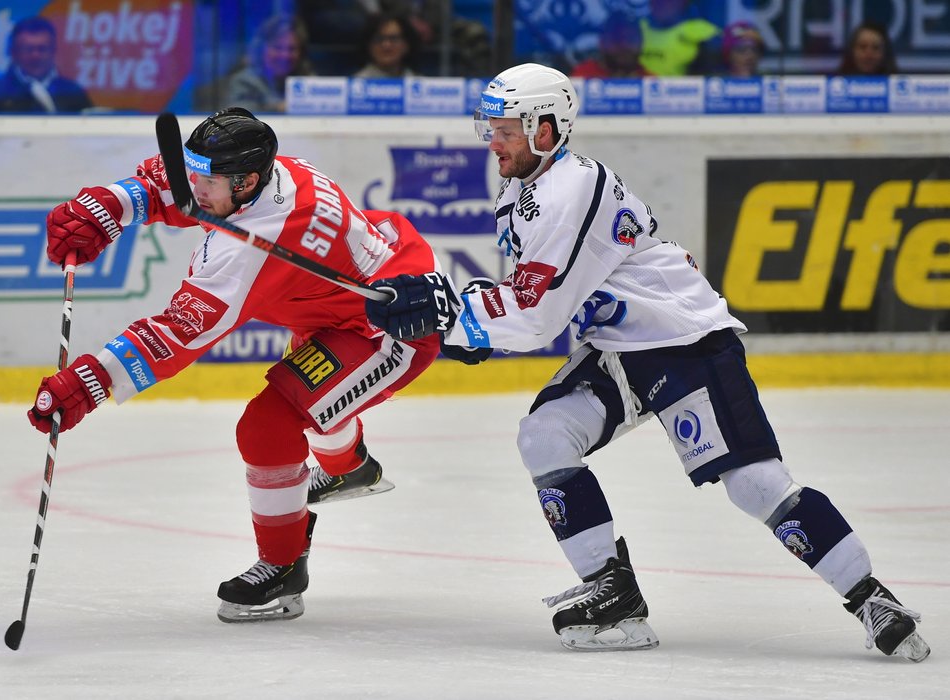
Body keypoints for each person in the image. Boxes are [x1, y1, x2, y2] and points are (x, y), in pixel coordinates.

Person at [361, 63, 931, 662]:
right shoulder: (523, 192)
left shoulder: (568, 189)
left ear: (546, 130)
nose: (491, 141)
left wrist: (448, 313)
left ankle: (872, 598)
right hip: (619, 348)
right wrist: (453, 325)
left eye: (504, 128)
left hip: (682, 340)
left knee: (756, 484)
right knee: (545, 435)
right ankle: (613, 593)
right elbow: (535, 303)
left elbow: (534, 316)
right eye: (490, 127)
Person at [27, 107, 441, 622]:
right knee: (317, 404)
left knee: (268, 425)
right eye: (194, 172)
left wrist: (87, 383)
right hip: (349, 300)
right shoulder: (270, 174)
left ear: (246, 183)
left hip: (389, 327)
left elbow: (177, 334)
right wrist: (107, 206)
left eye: (208, 180)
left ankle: (284, 567)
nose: (195, 188)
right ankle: (351, 470)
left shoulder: (252, 249)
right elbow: (176, 187)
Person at [0, 16, 92, 114]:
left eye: (42, 49)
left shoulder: (73, 93)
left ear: (53, 51)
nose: (35, 56)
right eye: (28, 49)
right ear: (13, 52)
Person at [226, 14, 314, 113]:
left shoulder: (307, 79)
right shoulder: (244, 81)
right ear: (262, 49)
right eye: (278, 48)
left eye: (291, 49)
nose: (285, 55)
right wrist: (277, 108)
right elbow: (238, 115)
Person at [639, 0, 720, 76]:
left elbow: (721, 64)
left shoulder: (698, 29)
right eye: (658, 2)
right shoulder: (639, 28)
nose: (662, 4)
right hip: (641, 86)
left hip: (682, 86)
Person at [571, 11, 653, 79]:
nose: (624, 47)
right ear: (602, 42)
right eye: (617, 39)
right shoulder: (583, 75)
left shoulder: (649, 81)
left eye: (630, 40)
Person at [353, 13, 420, 78]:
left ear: (407, 45)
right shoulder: (354, 84)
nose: (386, 45)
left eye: (393, 38)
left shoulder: (423, 83)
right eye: (379, 39)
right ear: (369, 46)